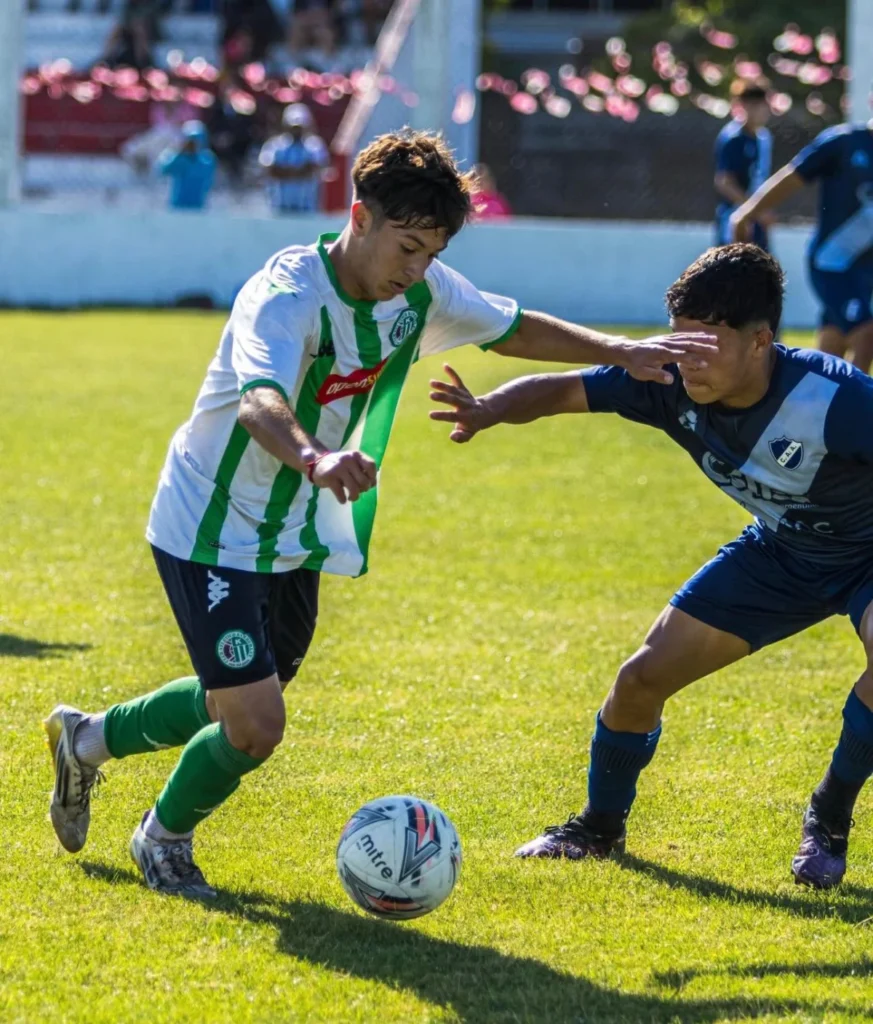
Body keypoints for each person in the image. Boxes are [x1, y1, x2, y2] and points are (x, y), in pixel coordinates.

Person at [42, 129, 714, 899]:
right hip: (211, 523)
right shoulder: (286, 294)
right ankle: (161, 839)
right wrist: (317, 459)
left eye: (431, 252)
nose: (418, 270)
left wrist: (617, 349)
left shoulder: (419, 292)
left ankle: (86, 739)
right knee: (255, 724)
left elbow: (509, 323)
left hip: (293, 528)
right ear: (358, 217)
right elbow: (259, 399)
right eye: (407, 247)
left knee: (242, 691)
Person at [429, 243, 873, 890]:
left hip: (865, 558)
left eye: (707, 341)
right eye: (679, 337)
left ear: (760, 341)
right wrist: (489, 409)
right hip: (779, 556)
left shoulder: (837, 398)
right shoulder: (663, 377)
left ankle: (828, 814)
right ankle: (597, 828)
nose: (685, 355)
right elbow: (561, 391)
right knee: (639, 681)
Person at [732, 115, 873, 374]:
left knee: (833, 346)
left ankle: (811, 405)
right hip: (833, 263)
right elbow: (792, 176)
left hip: (866, 270)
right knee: (866, 333)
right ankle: (857, 410)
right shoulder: (844, 142)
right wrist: (748, 212)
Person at [713, 80, 773, 250]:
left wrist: (764, 208)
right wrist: (752, 209)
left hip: (757, 219)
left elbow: (761, 177)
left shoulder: (764, 138)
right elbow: (724, 181)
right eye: (758, 105)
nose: (764, 111)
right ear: (746, 106)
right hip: (735, 217)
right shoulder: (733, 139)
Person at [258, 104, 330, 215]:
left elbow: (314, 168)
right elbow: (269, 169)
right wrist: (298, 171)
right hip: (278, 207)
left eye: (299, 127)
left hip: (307, 208)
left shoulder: (315, 145)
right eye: (293, 127)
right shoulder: (275, 145)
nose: (296, 130)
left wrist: (285, 171)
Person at [157, 120, 216, 211]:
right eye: (189, 140)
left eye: (195, 140)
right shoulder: (176, 157)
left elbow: (207, 175)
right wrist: (179, 154)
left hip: (198, 208)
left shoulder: (207, 159)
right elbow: (162, 170)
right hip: (177, 207)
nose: (192, 144)